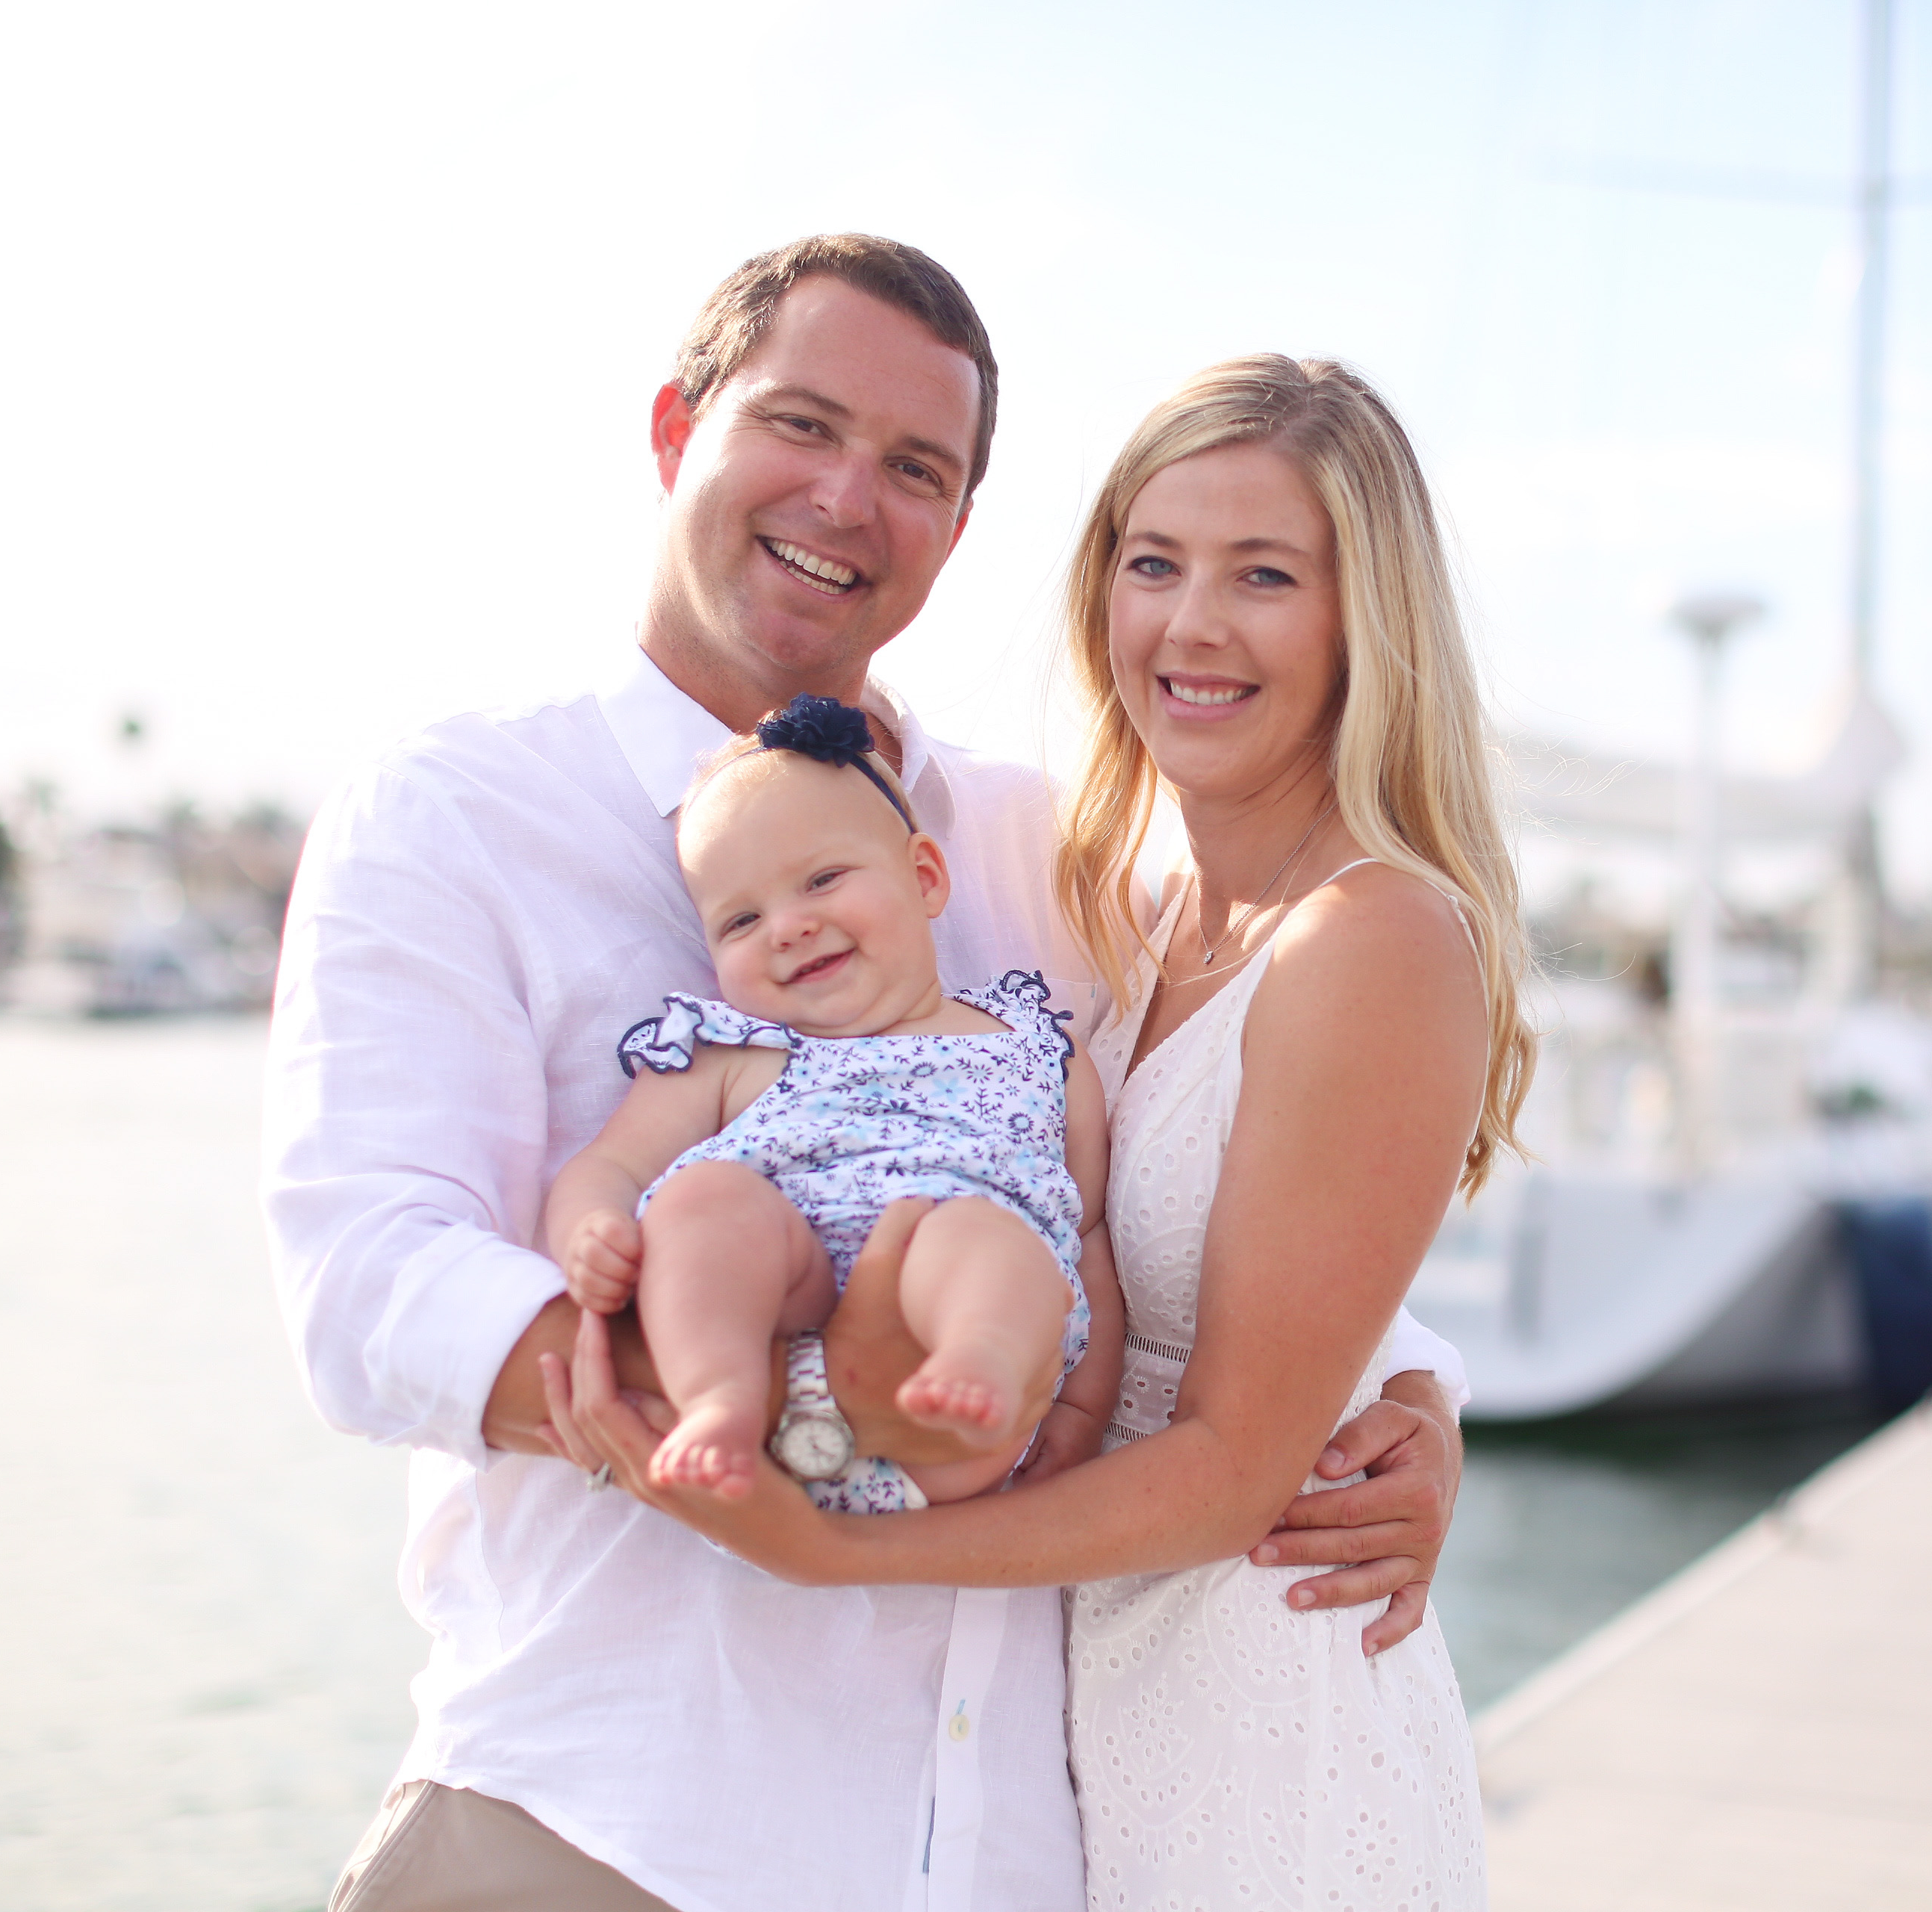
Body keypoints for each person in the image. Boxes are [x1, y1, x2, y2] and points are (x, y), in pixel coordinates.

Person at [266, 235, 1468, 1912]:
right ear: (677, 430)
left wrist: (1406, 1404)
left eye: (915, 466)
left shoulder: (1038, 849)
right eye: (801, 424)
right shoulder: (456, 810)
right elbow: (366, 1281)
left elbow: (1205, 1183)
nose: (846, 497)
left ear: (958, 528)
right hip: (611, 1821)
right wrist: (771, 1419)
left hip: (1003, 1854)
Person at [550, 354, 1527, 1908]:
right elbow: (1256, 1245)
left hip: (1266, 1725)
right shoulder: (1124, 915)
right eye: (1154, 562)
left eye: (1264, 574)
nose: (1190, 625)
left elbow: (1236, 1460)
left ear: (1366, 619)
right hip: (1084, 1740)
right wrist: (1422, 1381)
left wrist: (840, 1551)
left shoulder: (1374, 936)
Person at [544, 695, 1122, 1509]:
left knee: (981, 1232)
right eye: (742, 919)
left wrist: (1085, 1409)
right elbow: (611, 1165)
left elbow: (1087, 1232)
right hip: (787, 1340)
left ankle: (977, 1363)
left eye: (821, 880)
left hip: (960, 1415)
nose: (787, 927)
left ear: (924, 877)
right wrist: (590, 1228)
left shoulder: (1032, 1044)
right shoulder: (730, 1052)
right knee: (703, 1200)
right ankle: (717, 1399)